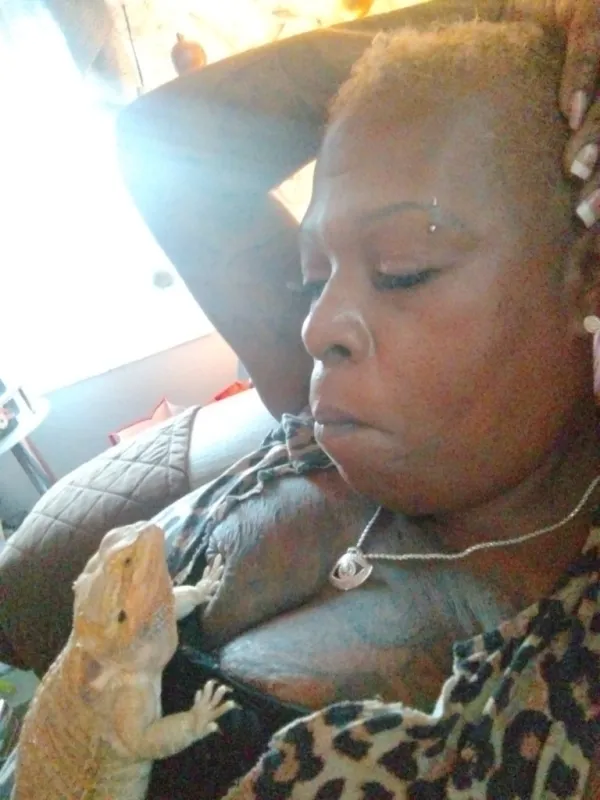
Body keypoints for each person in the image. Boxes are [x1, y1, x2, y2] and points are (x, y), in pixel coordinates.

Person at [113, 3, 600, 799]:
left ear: (588, 276)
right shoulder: (326, 421)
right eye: (314, 278)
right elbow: (166, 140)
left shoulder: (565, 692)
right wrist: (520, 19)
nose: (316, 326)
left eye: (403, 270)